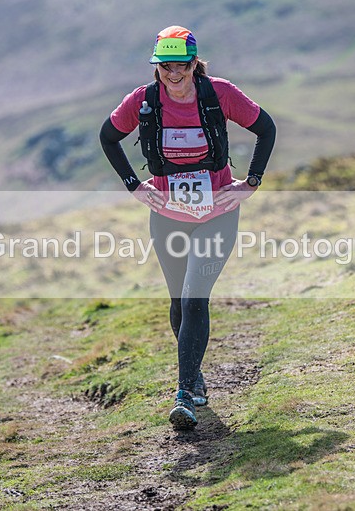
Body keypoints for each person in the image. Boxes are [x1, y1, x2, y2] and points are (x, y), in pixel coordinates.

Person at [99, 26, 276, 430]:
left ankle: (183, 395)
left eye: (180, 65)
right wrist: (134, 185)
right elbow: (108, 138)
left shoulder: (219, 94)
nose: (172, 74)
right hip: (167, 215)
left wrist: (250, 183)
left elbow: (266, 129)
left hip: (217, 213)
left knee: (196, 297)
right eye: (164, 66)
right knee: (179, 301)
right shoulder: (143, 101)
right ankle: (195, 376)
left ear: (194, 63)